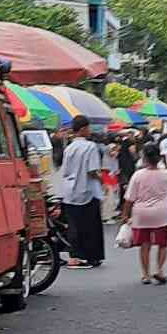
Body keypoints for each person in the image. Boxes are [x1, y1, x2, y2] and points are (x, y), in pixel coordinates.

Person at [121, 143, 167, 284]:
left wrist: (125, 215)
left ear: (143, 157)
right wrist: (165, 162)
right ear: (159, 157)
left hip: (141, 214)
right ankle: (160, 270)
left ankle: (145, 274)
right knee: (162, 244)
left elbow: (129, 199)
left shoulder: (138, 175)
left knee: (145, 245)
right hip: (162, 213)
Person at [60, 115, 105, 268]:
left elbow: (65, 170)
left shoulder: (69, 148)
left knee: (74, 225)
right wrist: (101, 179)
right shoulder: (90, 146)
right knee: (90, 226)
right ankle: (91, 256)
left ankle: (75, 255)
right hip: (87, 190)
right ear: (83, 128)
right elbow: (92, 171)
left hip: (70, 191)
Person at [117, 136, 137, 211]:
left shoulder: (121, 152)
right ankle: (127, 209)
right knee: (128, 189)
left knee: (122, 189)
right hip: (128, 170)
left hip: (122, 170)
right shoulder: (130, 151)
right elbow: (134, 155)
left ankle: (122, 207)